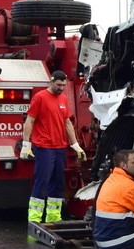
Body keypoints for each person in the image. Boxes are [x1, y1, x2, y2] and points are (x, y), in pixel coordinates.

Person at [20, 70, 86, 224]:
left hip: (59, 147)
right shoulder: (40, 97)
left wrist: (75, 145)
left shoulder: (63, 98)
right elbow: (29, 121)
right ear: (51, 82)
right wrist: (26, 144)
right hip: (44, 147)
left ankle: (54, 217)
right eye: (58, 85)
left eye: (63, 85)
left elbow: (67, 123)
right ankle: (34, 220)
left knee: (58, 183)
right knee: (42, 182)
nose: (61, 88)